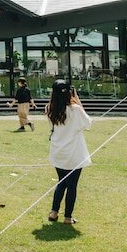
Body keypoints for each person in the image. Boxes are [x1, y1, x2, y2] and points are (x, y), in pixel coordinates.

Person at [46, 81, 92, 225]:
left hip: (58, 151)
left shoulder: (49, 109)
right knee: (71, 185)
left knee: (62, 181)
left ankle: (54, 212)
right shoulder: (75, 110)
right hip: (74, 152)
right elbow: (88, 124)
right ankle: (67, 217)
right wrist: (78, 102)